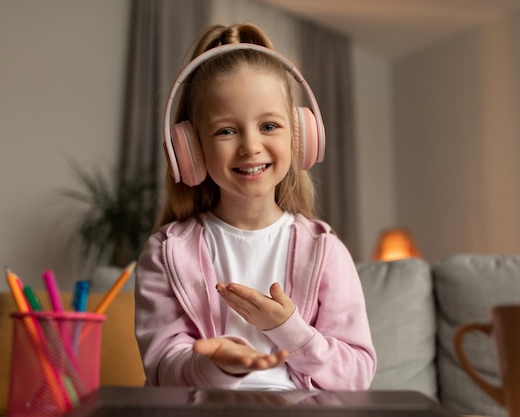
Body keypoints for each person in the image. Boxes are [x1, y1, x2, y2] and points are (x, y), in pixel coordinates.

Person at [135, 22, 376, 391]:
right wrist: (214, 365)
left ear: (300, 137)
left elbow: (357, 374)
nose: (250, 146)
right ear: (191, 149)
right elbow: (163, 369)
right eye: (226, 131)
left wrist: (290, 331)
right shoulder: (166, 253)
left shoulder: (325, 251)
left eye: (268, 126)